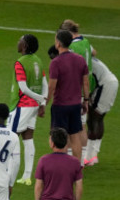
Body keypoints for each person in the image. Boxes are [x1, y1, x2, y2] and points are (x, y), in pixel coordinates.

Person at [7, 34, 47, 186]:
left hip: (21, 106)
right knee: (28, 137)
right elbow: (44, 84)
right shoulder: (38, 60)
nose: (18, 42)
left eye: (20, 41)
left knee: (10, 138)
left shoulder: (20, 63)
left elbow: (23, 88)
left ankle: (9, 174)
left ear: (24, 46)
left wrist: (40, 99)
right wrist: (42, 102)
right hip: (34, 107)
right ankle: (27, 176)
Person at [46, 30, 89, 163]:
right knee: (75, 136)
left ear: (58, 43)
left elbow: (52, 86)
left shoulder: (56, 62)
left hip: (60, 105)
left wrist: (45, 102)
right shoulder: (80, 59)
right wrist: (86, 101)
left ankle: (62, 165)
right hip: (76, 104)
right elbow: (86, 83)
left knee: (59, 136)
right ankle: (77, 166)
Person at [60, 19, 95, 163]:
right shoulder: (85, 42)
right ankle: (83, 160)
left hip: (74, 90)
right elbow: (94, 52)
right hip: (87, 89)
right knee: (82, 125)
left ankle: (69, 158)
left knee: (70, 127)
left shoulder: (72, 47)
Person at [84, 57, 117, 165]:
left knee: (93, 119)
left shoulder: (82, 61)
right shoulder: (87, 55)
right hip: (110, 82)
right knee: (99, 118)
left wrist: (86, 98)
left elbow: (88, 82)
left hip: (104, 85)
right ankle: (93, 155)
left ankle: (89, 157)